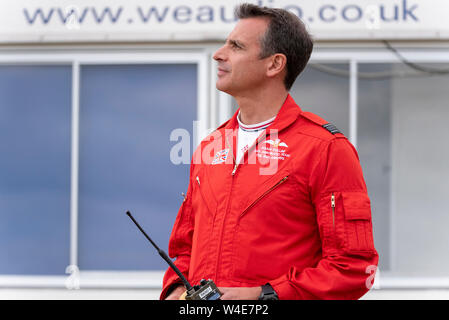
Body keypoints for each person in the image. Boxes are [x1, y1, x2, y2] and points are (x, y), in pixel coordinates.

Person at [161, 3, 378, 300]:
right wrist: (175, 290)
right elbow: (183, 248)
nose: (218, 54)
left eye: (236, 46)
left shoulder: (326, 148)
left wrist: (265, 296)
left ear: (275, 64)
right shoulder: (209, 147)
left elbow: (354, 269)